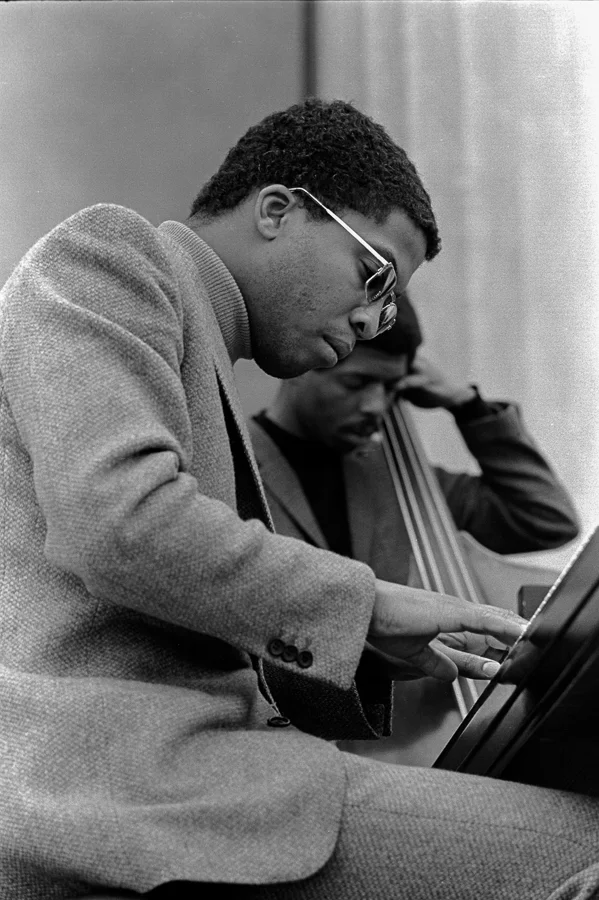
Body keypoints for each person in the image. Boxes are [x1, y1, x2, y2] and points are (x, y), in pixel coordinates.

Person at [0, 98, 597, 900]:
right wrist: (366, 604)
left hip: (190, 771)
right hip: (127, 782)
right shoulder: (109, 254)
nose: (371, 317)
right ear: (278, 210)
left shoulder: (204, 345)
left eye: (386, 303)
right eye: (374, 273)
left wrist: (368, 649)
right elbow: (120, 525)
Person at [248, 295, 580, 765]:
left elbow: (545, 519)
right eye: (359, 383)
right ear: (305, 364)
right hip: (284, 742)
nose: (376, 406)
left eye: (392, 390)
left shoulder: (409, 483)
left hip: (416, 742)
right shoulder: (235, 469)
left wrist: (467, 404)